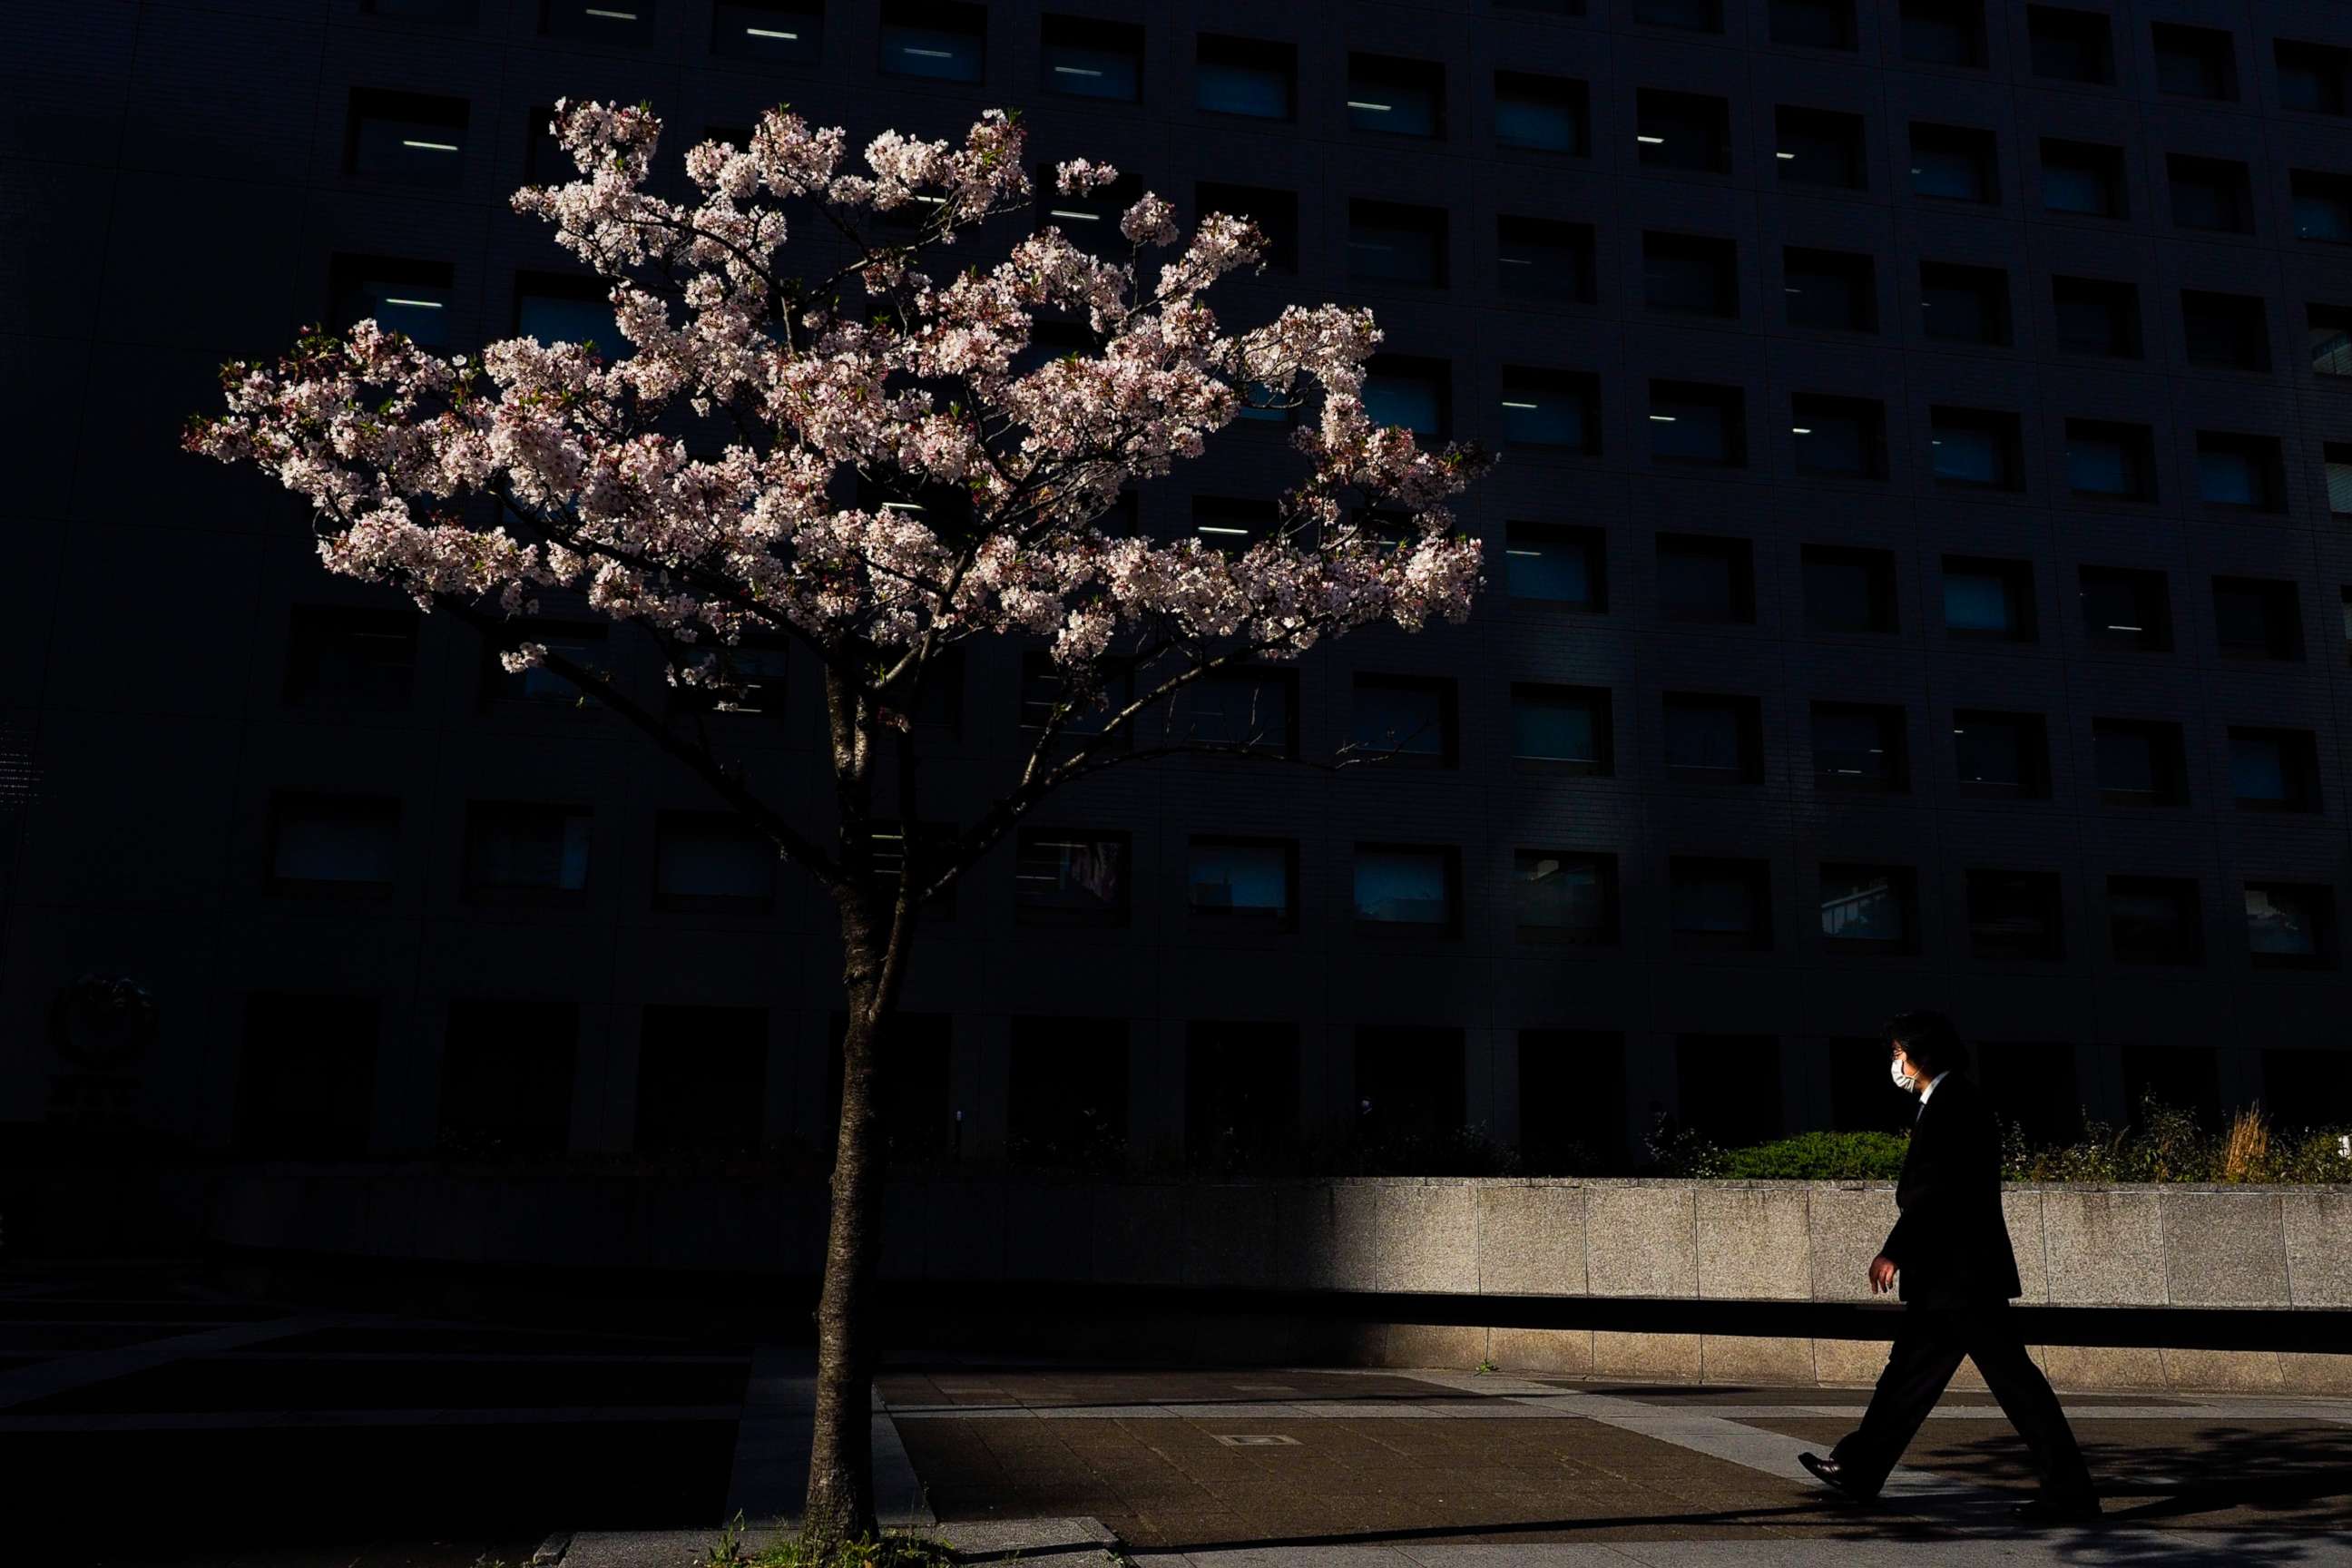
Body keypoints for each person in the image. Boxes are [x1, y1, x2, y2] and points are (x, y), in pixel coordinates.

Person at [1798, 1012, 2101, 1524]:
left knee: (2011, 1385)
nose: (1895, 1063)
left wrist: (1895, 1249)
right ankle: (1859, 1467)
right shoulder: (1948, 1101)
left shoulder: (1954, 1103)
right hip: (1953, 1276)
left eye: (1898, 1053)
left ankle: (2069, 1489)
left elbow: (1937, 1191)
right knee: (1911, 1377)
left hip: (1961, 1276)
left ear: (1922, 1053)